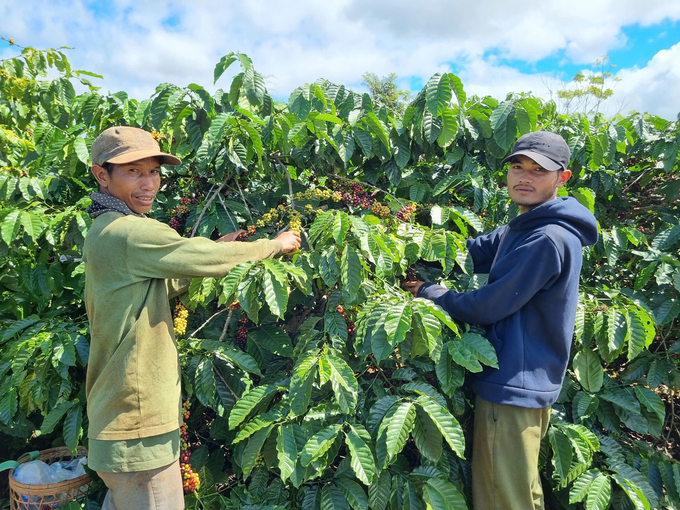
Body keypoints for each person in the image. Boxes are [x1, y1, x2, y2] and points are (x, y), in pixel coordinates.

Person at [83, 126, 301, 510]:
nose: (149, 183)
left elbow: (153, 284)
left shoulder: (103, 230)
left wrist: (209, 250)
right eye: (133, 172)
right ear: (103, 175)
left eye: (154, 172)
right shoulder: (130, 231)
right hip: (137, 424)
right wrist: (274, 245)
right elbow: (206, 260)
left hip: (119, 417)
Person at [403, 131, 598, 510]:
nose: (525, 177)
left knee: (501, 498)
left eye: (539, 170)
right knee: (521, 492)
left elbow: (487, 306)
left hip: (512, 385)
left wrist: (428, 292)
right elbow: (469, 253)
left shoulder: (547, 237)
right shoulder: (521, 227)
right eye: (517, 166)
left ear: (563, 178)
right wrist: (404, 242)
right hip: (521, 383)